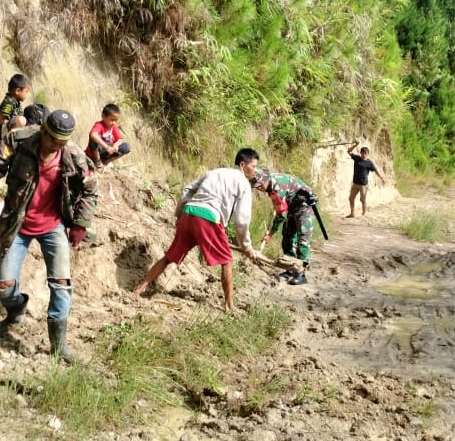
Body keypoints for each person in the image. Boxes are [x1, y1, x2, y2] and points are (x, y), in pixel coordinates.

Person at [0, 109, 98, 359]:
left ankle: (58, 345)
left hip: (53, 226)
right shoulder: (19, 141)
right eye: (52, 139)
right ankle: (16, 311)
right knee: (4, 285)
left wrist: (80, 224)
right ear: (42, 130)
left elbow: (90, 190)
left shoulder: (73, 156)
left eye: (61, 142)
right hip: (17, 224)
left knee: (61, 284)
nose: (55, 146)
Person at [132, 149, 261, 310]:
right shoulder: (243, 184)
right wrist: (247, 247)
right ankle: (229, 306)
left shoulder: (215, 172)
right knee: (227, 262)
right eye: (254, 166)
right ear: (243, 165)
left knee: (169, 257)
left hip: (189, 212)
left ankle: (139, 289)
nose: (255, 171)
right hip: (209, 218)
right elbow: (241, 220)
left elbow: (187, 190)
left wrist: (180, 214)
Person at [253, 167, 318, 285]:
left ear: (266, 179)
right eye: (257, 186)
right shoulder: (270, 184)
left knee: (303, 240)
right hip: (292, 206)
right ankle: (290, 268)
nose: (259, 188)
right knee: (287, 237)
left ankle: (301, 273)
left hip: (305, 206)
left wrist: (270, 234)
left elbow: (281, 215)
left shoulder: (278, 188)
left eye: (260, 184)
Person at [346, 141, 386, 217]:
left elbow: (375, 170)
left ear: (367, 154)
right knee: (351, 198)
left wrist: (381, 178)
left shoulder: (369, 162)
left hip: (363, 185)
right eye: (362, 153)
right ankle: (352, 213)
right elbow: (348, 151)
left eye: (365, 153)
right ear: (360, 153)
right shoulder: (357, 158)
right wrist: (356, 145)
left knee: (363, 200)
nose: (364, 155)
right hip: (355, 183)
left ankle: (364, 213)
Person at [0, 73, 33, 142]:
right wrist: (15, 124)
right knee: (21, 121)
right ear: (18, 91)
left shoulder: (16, 102)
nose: (26, 95)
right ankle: (10, 142)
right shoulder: (9, 102)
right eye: (26, 92)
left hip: (6, 131)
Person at [86, 103, 131, 167]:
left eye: (116, 120)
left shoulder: (113, 127)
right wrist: (107, 147)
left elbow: (120, 139)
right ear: (103, 116)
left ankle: (106, 162)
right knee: (94, 138)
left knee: (125, 147)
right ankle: (97, 161)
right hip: (97, 151)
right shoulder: (99, 125)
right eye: (112, 120)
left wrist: (116, 145)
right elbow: (93, 134)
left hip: (107, 152)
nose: (114, 122)